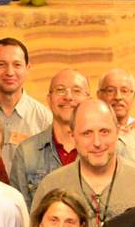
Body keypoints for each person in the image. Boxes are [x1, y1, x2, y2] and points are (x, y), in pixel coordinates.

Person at [33, 100, 135, 227]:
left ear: (118, 131)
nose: (97, 142)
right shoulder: (51, 186)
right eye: (87, 133)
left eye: (104, 132)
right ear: (73, 136)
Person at [9, 69, 89, 207]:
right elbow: (20, 214)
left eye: (76, 91)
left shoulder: (104, 149)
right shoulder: (27, 153)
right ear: (49, 99)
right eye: (60, 90)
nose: (68, 97)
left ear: (88, 100)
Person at [0, 37, 54, 145]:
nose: (10, 72)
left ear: (27, 68)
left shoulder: (44, 119)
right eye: (2, 64)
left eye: (17, 65)